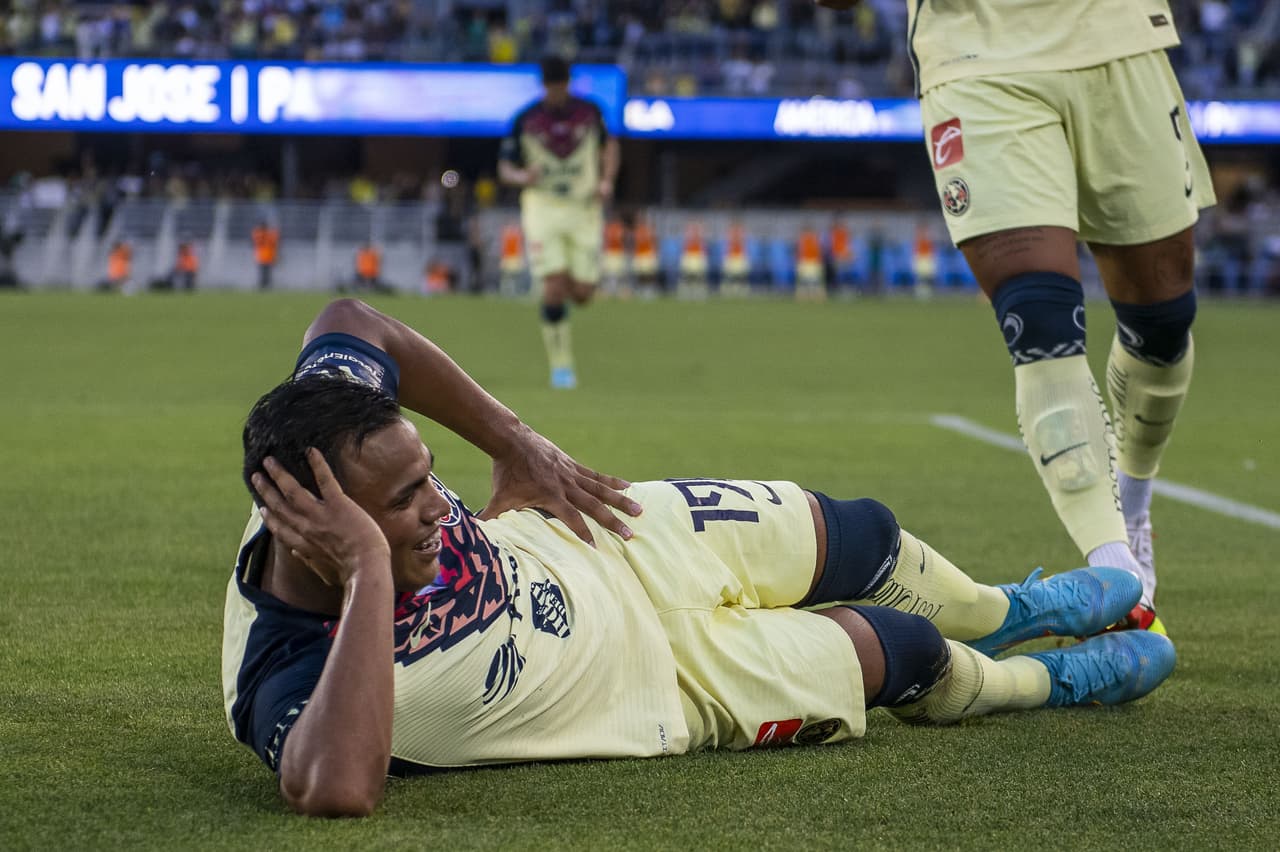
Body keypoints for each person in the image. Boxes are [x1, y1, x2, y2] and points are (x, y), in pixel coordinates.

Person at [224, 298, 1176, 818]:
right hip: (662, 687)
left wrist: (512, 442)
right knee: (903, 654)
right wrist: (368, 573)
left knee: (864, 533)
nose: (438, 506)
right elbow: (335, 788)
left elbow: (353, 321)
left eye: (429, 478)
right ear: (321, 529)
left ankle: (1007, 610)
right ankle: (1050, 685)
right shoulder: (282, 671)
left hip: (604, 536)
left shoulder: (318, 435)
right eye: (403, 504)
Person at [829, 0, 1214, 632]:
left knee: (1164, 323)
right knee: (1039, 325)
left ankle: (1133, 498)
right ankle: (1119, 573)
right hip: (978, 50)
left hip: (1116, 37)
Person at [498, 56, 620, 390]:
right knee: (553, 286)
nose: (556, 92)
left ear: (568, 83)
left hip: (583, 208)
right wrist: (523, 175)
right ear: (544, 86)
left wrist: (607, 179)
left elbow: (610, 148)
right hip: (543, 207)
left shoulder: (591, 113)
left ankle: (564, 283)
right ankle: (561, 366)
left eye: (561, 85)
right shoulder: (525, 119)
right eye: (552, 87)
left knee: (582, 294)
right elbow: (505, 168)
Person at [252, 221, 280, 290]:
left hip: (261, 255)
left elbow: (254, 241)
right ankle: (266, 286)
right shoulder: (270, 233)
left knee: (262, 272)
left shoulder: (258, 233)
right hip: (269, 255)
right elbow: (276, 241)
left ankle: (262, 286)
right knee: (267, 273)